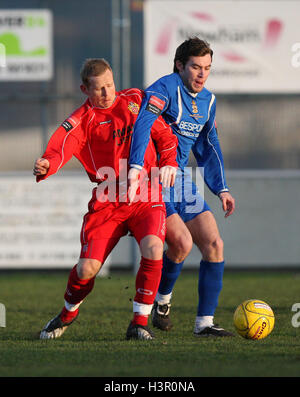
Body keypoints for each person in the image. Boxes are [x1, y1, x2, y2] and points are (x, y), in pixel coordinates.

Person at [33, 58, 178, 341]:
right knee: (87, 268)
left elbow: (164, 136)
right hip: (108, 200)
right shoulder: (82, 119)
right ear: (84, 89)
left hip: (145, 194)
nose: (107, 93)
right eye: (98, 89)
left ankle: (139, 323)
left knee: (154, 247)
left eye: (109, 85)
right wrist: (48, 164)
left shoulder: (135, 100)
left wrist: (170, 161)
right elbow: (61, 145)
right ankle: (68, 312)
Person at [128, 37, 236, 337]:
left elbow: (209, 145)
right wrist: (136, 166)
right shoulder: (163, 89)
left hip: (180, 180)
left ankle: (203, 323)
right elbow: (143, 124)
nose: (202, 74)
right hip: (152, 179)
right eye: (195, 67)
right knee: (181, 244)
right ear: (179, 65)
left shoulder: (208, 102)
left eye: (207, 68)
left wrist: (221, 188)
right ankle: (159, 303)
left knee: (214, 244)